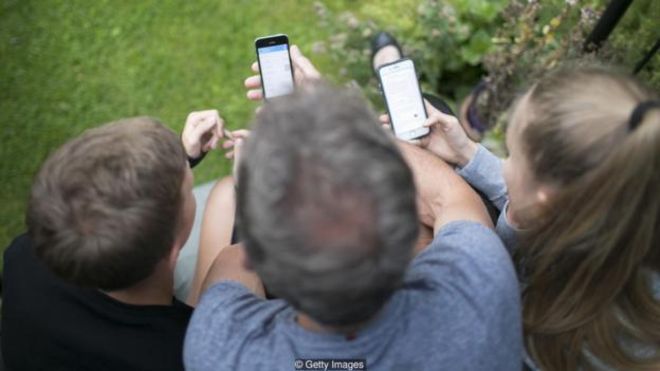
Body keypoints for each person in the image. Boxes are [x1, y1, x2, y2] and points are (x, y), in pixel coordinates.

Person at [184, 79, 523, 370]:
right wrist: (350, 134)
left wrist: (259, 182)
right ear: (406, 225)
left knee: (222, 197)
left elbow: (232, 262)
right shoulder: (482, 287)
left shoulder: (217, 350)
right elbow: (447, 197)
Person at [406, 66, 660, 370]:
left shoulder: (565, 349)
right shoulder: (623, 209)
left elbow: (486, 284)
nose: (506, 164)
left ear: (545, 207)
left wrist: (471, 210)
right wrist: (467, 153)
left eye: (512, 155)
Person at [1, 111, 226, 370]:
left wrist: (179, 158)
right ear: (173, 251)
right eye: (188, 188)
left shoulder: (24, 256)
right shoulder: (186, 356)